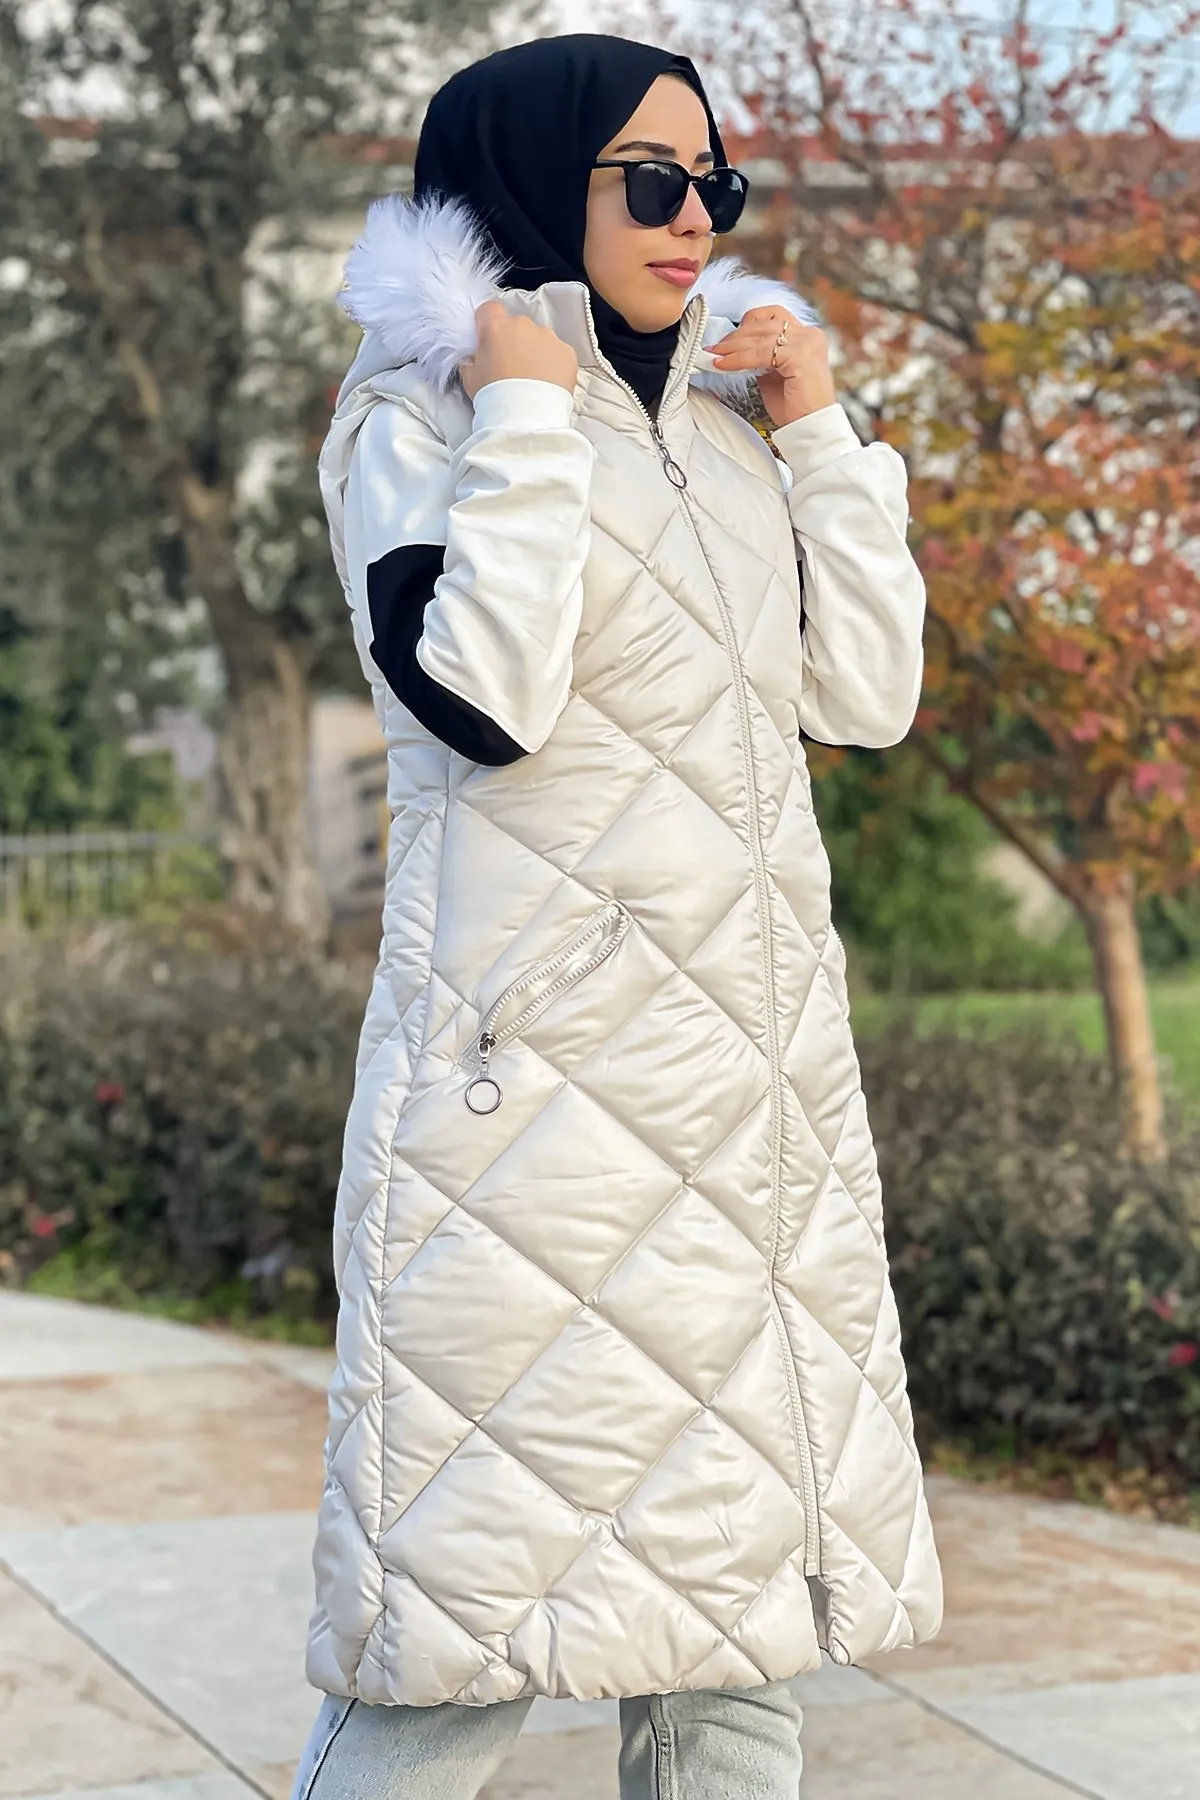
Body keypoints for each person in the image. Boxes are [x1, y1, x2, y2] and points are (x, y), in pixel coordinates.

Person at [296, 31, 942, 1800]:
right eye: (651, 180)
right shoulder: (418, 417)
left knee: (740, 1660)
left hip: (751, 1114)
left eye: (713, 183)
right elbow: (483, 703)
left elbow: (868, 693)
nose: (695, 218)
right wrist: (523, 413)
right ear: (528, 179)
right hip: (531, 1132)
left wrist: (819, 438)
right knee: (460, 1652)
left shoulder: (728, 429)